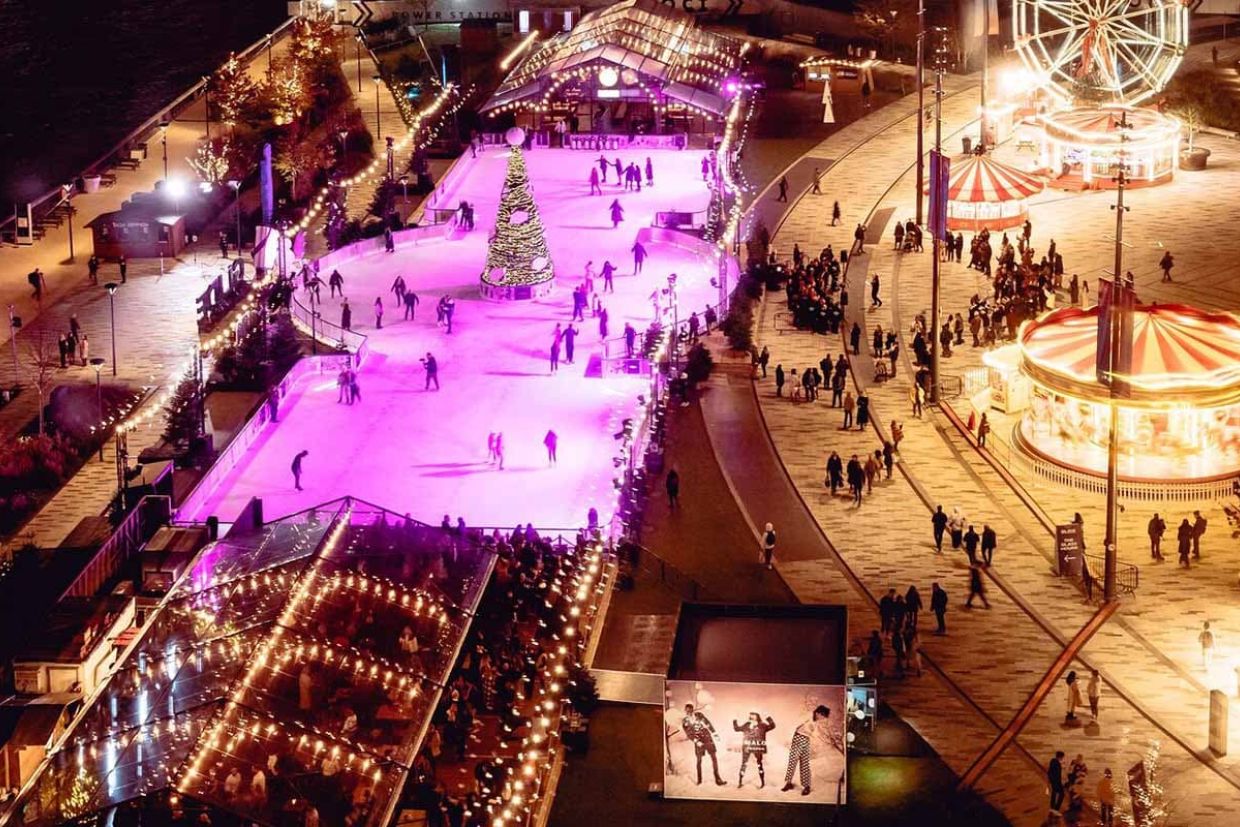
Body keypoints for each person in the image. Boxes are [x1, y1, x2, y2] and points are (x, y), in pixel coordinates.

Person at [781, 705, 835, 796]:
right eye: (823, 716)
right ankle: (788, 783)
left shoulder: (818, 722)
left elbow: (816, 734)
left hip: (806, 740)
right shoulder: (808, 716)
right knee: (793, 761)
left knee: (805, 763)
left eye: (824, 717)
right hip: (798, 738)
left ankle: (806, 786)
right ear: (818, 713)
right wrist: (790, 740)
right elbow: (796, 725)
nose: (823, 718)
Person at [681, 704, 726, 786]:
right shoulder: (685, 721)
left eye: (690, 710)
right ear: (685, 711)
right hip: (698, 741)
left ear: (692, 710)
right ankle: (699, 781)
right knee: (699, 761)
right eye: (687, 711)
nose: (689, 712)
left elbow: (708, 724)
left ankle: (718, 779)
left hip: (707, 738)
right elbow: (688, 733)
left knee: (714, 758)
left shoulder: (699, 715)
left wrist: (714, 733)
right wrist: (696, 741)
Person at [732, 712, 776, 788]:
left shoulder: (762, 725)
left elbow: (772, 726)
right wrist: (735, 720)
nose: (751, 716)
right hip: (747, 746)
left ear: (757, 716)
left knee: (759, 764)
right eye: (750, 715)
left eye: (753, 715)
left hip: (757, 747)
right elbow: (737, 729)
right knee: (744, 764)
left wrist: (768, 718)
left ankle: (762, 783)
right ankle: (740, 782)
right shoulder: (746, 724)